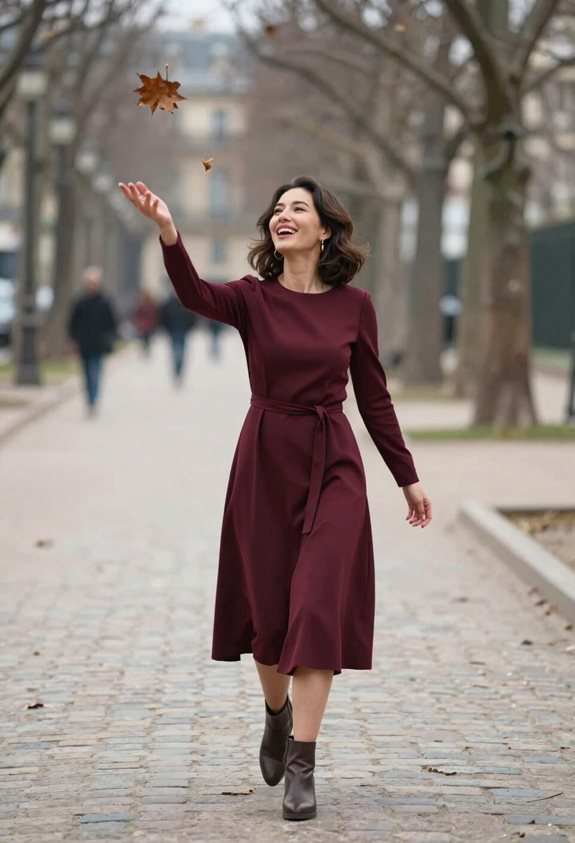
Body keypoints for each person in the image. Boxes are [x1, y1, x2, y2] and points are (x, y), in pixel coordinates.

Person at [118, 176, 432, 822]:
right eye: (278, 210)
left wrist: (406, 474)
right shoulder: (251, 300)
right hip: (264, 460)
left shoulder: (354, 306)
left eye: (299, 209)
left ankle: (302, 763)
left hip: (333, 459)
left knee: (316, 607)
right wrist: (169, 232)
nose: (284, 217)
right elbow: (193, 293)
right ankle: (274, 713)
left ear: (324, 231)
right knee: (268, 620)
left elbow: (373, 396)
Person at [67, 266, 117, 416]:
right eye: (89, 282)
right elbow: (72, 323)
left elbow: (112, 322)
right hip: (84, 343)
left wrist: (110, 338)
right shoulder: (80, 302)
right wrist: (73, 339)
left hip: (99, 344)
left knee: (95, 372)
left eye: (94, 283)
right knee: (86, 374)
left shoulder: (105, 302)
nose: (91, 286)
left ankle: (93, 401)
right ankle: (89, 398)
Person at [158, 292, 198, 385]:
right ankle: (176, 370)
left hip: (183, 332)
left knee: (181, 353)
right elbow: (162, 317)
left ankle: (179, 370)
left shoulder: (186, 303)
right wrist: (166, 329)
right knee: (175, 352)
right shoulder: (168, 304)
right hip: (172, 332)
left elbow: (193, 317)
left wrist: (188, 328)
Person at [133, 290, 158, 356]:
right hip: (146, 325)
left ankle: (145, 349)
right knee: (145, 338)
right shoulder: (147, 305)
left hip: (145, 325)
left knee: (145, 338)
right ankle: (145, 349)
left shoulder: (145, 305)